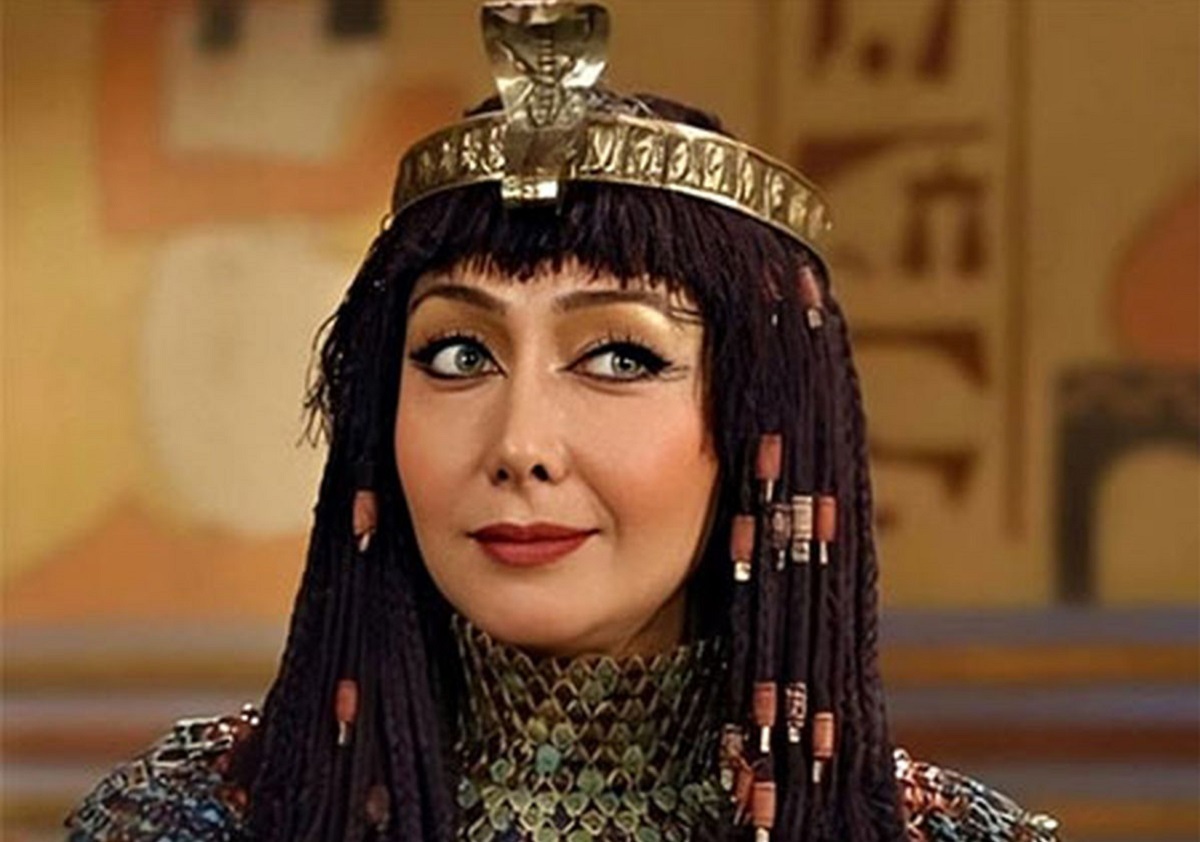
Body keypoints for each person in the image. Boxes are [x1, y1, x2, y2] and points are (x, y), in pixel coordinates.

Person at [65, 3, 1062, 841]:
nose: (520, 447)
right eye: (459, 355)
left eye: (619, 357)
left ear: (764, 423)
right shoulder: (189, 820)